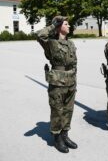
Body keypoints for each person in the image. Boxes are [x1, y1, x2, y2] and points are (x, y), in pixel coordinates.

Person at [37, 16, 78, 153]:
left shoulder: (71, 43)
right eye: (66, 24)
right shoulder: (51, 43)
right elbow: (40, 35)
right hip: (57, 81)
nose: (70, 26)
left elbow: (74, 62)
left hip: (71, 81)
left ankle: (65, 134)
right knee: (57, 110)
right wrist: (54, 25)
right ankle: (57, 137)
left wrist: (73, 76)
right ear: (60, 27)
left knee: (68, 109)